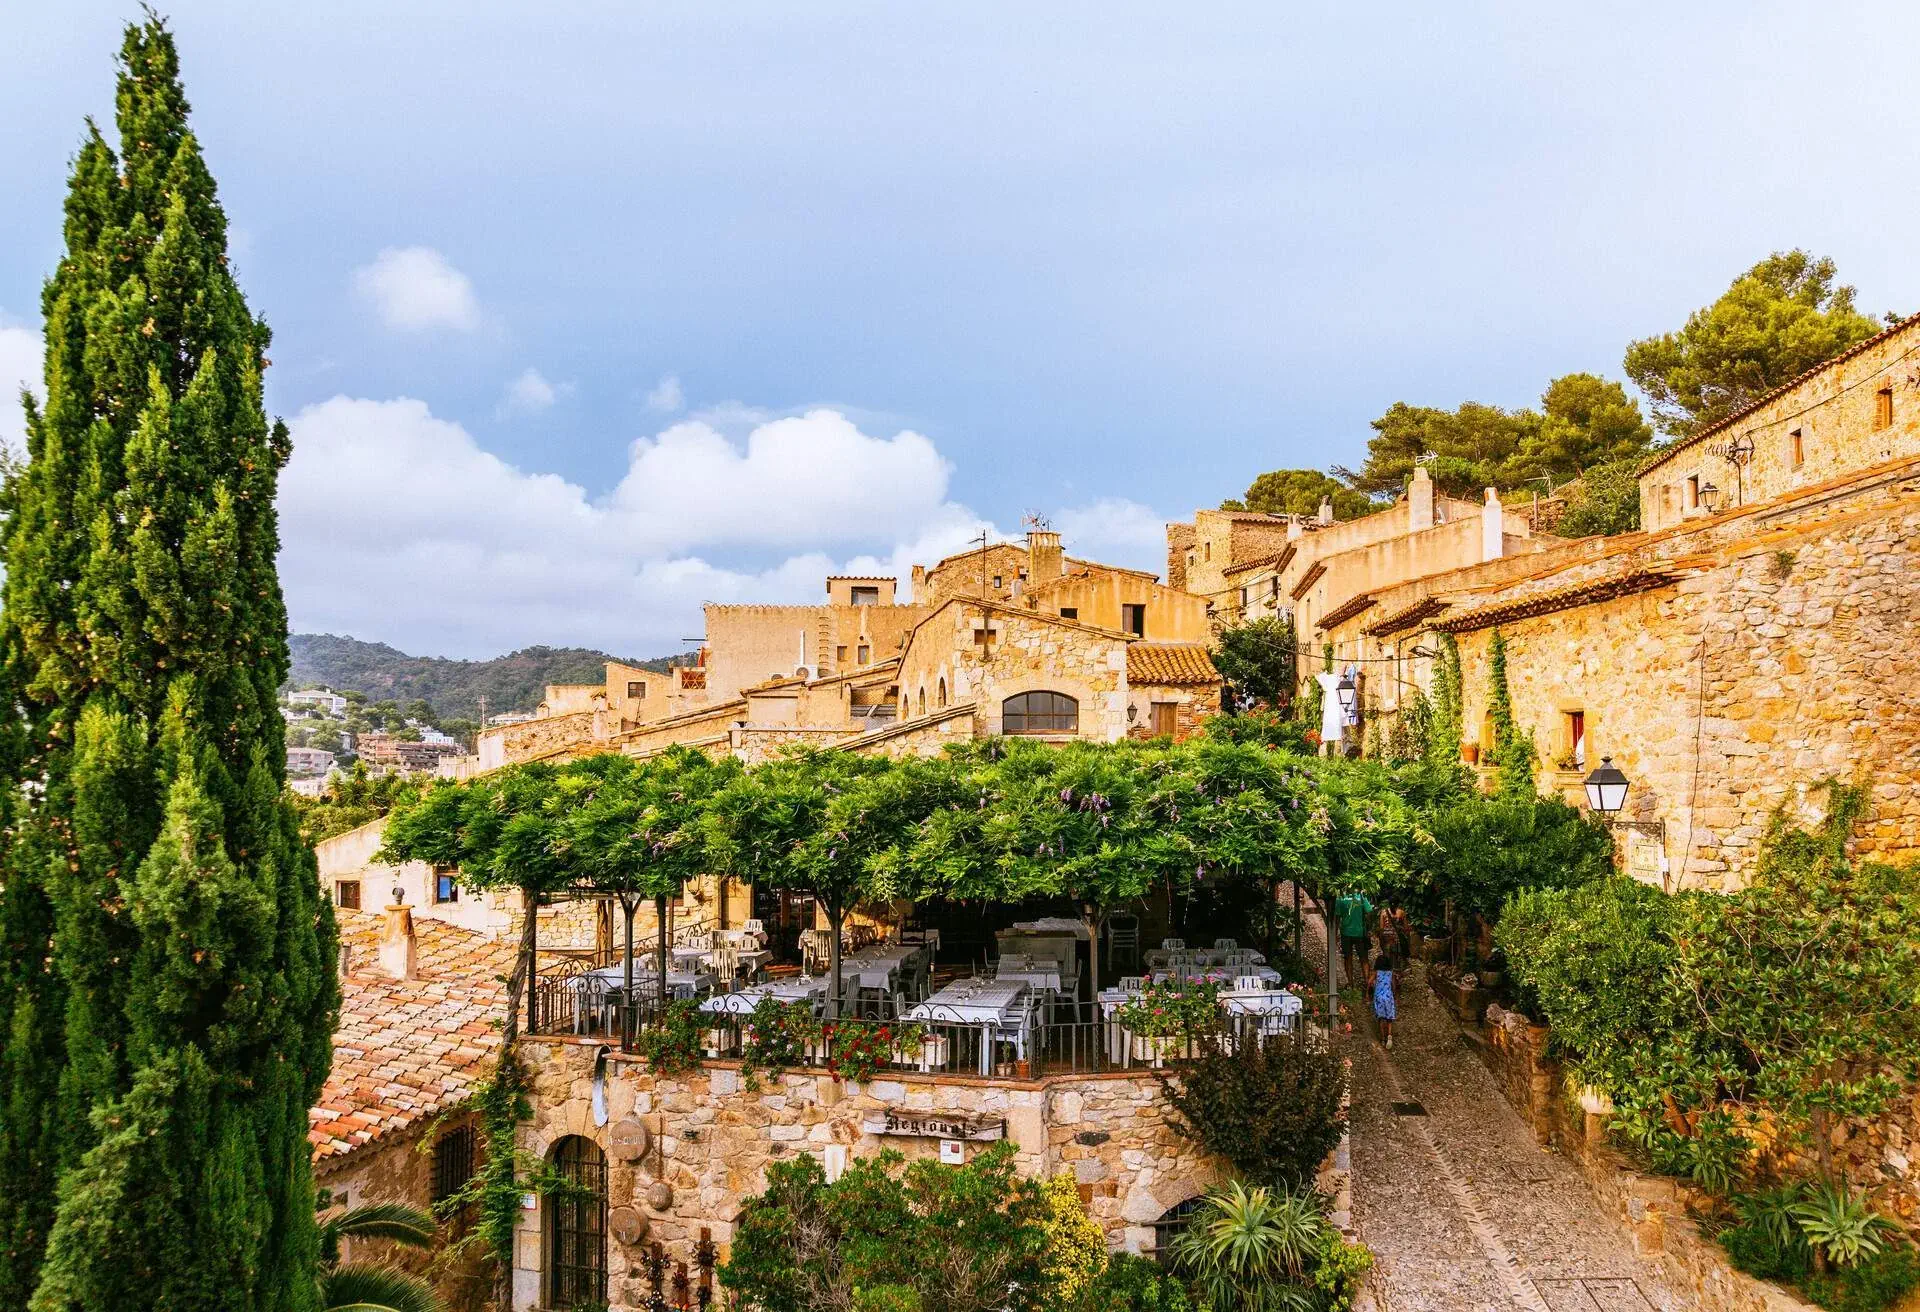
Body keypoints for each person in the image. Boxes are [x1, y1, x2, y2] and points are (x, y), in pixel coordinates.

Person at [1333, 890, 1372, 983]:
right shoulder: (1361, 895)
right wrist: (1367, 927)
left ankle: (1351, 984)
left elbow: (1337, 917)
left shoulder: (1340, 897)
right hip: (1360, 932)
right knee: (1364, 959)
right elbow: (1369, 912)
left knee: (1348, 958)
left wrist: (1334, 934)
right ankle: (1367, 983)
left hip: (1346, 932)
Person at [1368, 949, 1397, 1049]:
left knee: (1381, 1019)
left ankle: (1383, 1039)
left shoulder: (1377, 973)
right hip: (1389, 997)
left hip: (1379, 997)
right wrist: (1394, 993)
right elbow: (1393, 985)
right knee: (1389, 1018)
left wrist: (1370, 990)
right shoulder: (1390, 973)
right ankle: (1389, 1035)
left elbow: (1369, 982)